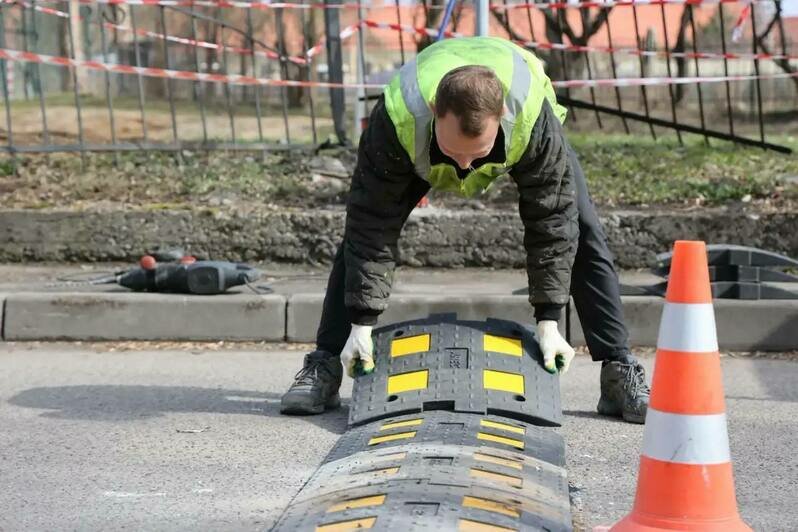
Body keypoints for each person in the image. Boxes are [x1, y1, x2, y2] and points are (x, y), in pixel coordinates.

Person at [280, 36, 650, 423]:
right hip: (412, 149)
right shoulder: (397, 119)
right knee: (359, 237)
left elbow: (552, 225)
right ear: (433, 111)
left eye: (479, 154)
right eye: (455, 153)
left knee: (580, 229)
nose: (465, 167)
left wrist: (549, 320)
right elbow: (370, 228)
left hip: (524, 134)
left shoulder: (530, 119)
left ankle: (617, 369)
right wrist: (361, 323)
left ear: (502, 114)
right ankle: (324, 364)